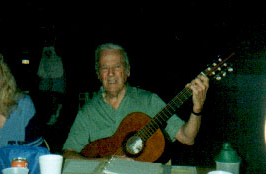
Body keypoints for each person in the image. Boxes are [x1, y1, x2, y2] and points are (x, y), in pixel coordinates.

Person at [63, 43, 209, 161]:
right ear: (98, 74)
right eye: (105, 68)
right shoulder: (88, 111)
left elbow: (187, 137)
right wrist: (104, 161)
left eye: (117, 67)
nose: (111, 73)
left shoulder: (149, 101)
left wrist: (197, 108)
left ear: (127, 71)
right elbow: (67, 154)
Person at [37, 43, 66, 125]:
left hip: (57, 69)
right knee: (43, 92)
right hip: (45, 67)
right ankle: (47, 113)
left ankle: (54, 114)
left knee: (55, 94)